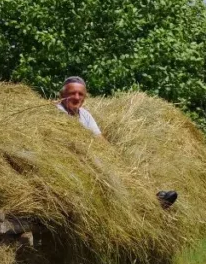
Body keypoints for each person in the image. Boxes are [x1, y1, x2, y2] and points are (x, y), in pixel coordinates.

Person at [55, 75, 178, 209]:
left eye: (81, 94)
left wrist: (115, 157)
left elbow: (99, 138)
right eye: (72, 93)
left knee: (127, 165)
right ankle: (138, 203)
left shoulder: (84, 114)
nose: (77, 98)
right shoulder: (56, 112)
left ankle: (153, 197)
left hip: (88, 153)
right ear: (62, 94)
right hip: (71, 157)